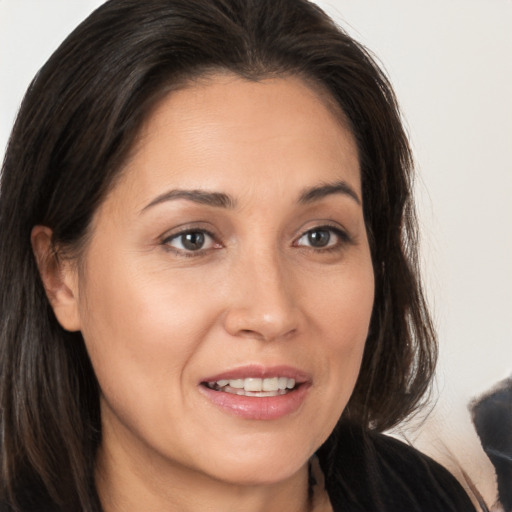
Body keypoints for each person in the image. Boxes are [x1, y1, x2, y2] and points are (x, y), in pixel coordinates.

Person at [0, 0, 477, 511]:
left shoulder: (428, 497)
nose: (272, 313)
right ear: (59, 276)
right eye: (192, 239)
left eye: (319, 236)